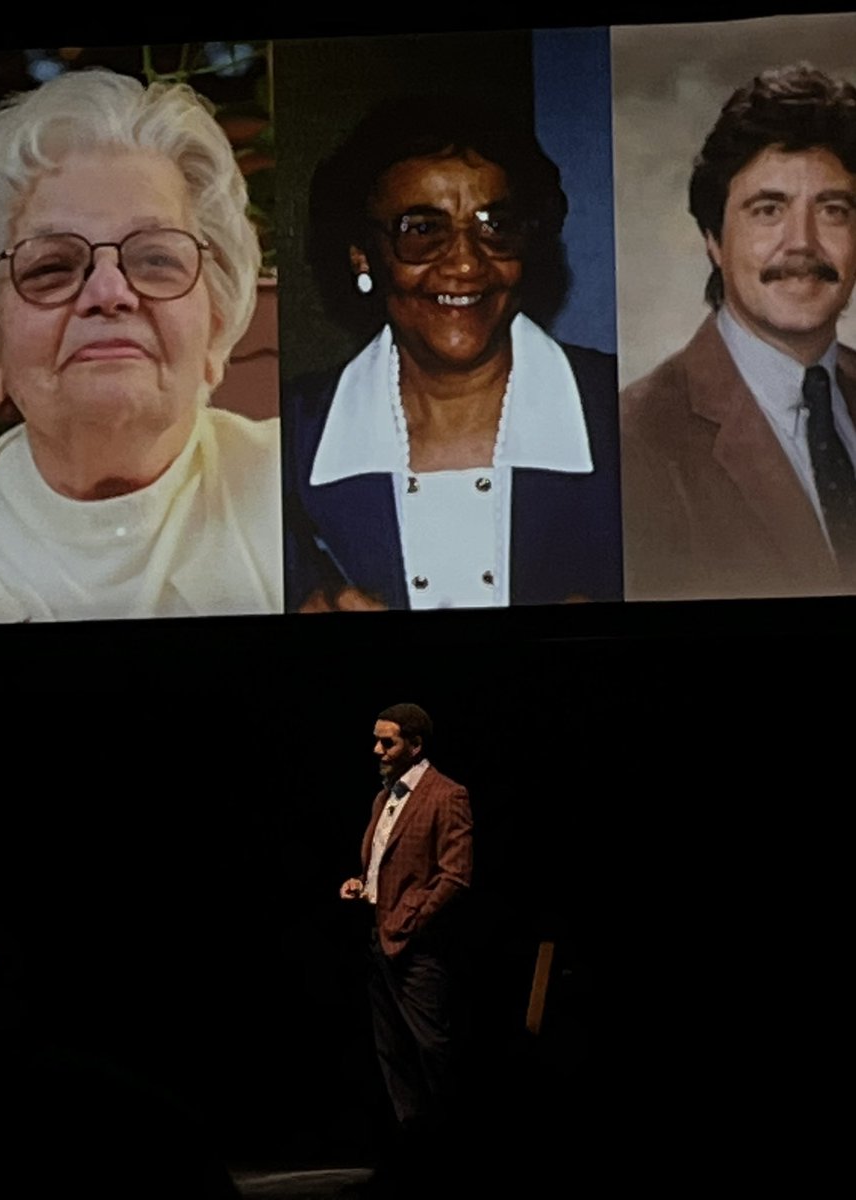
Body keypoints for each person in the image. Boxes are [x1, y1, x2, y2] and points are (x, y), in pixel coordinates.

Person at [0, 69, 282, 623]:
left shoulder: (314, 495)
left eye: (156, 259)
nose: (109, 292)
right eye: (52, 267)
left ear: (216, 323)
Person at [284, 96, 622, 612]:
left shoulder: (632, 415)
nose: (466, 265)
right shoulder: (284, 439)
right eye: (422, 231)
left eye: (494, 227)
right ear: (363, 257)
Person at [621, 63, 856, 601]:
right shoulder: (638, 445)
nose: (802, 243)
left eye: (834, 210)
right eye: (768, 210)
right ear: (714, 240)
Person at [339, 703, 471, 1190]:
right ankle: (414, 1148)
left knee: (433, 1046)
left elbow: (455, 874)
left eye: (387, 741)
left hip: (417, 944)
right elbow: (387, 867)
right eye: (376, 739)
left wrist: (411, 919)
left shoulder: (446, 795)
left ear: (415, 746)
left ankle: (450, 1149)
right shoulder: (383, 798)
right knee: (391, 1050)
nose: (377, 749)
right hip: (379, 937)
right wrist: (361, 884)